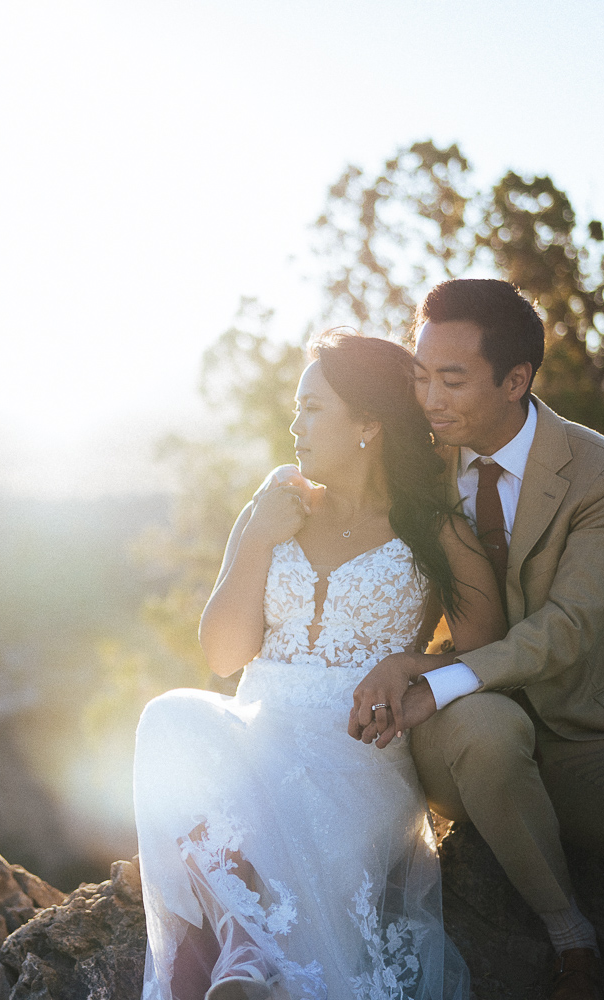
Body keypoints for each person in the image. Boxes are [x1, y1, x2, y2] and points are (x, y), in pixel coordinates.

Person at [349, 279, 604, 1000]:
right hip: (463, 735)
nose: (429, 399)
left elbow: (571, 628)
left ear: (515, 379)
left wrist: (438, 678)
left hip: (580, 724)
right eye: (421, 377)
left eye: (452, 380)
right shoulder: (413, 465)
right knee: (489, 732)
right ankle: (570, 942)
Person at [133, 332, 505, 1000]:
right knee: (168, 720)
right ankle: (242, 957)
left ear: (368, 423)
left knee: (290, 836)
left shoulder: (432, 526)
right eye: (296, 409)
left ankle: (231, 962)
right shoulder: (281, 498)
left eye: (312, 409)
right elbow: (222, 654)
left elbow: (489, 643)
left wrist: (407, 662)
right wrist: (253, 537)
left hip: (356, 755)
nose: (293, 424)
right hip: (257, 727)